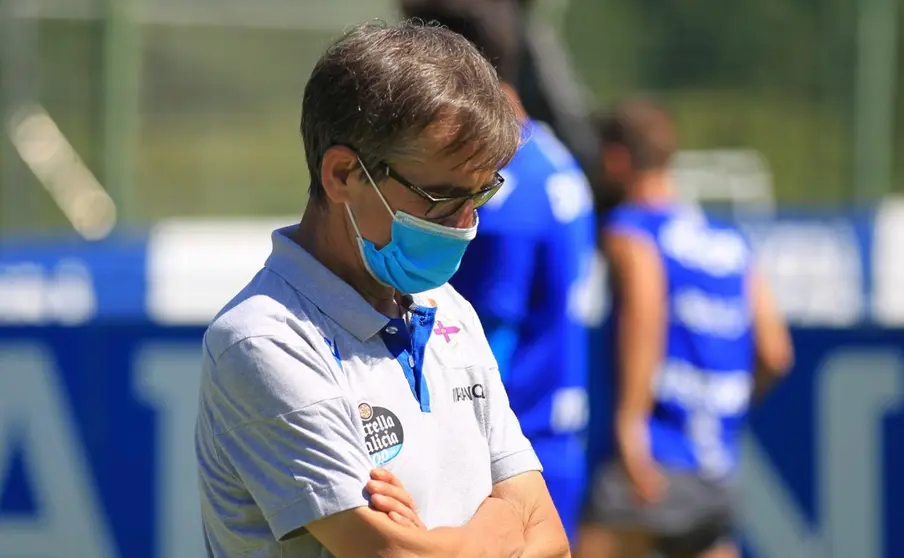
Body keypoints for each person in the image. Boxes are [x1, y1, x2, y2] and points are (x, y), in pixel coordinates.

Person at [194, 20, 569, 558]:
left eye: (480, 194)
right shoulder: (263, 341)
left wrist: (443, 544)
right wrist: (497, 530)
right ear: (342, 174)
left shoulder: (450, 312)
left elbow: (552, 540)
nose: (465, 223)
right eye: (438, 196)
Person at [399, 0, 602, 546]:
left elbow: (486, 346)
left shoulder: (503, 187)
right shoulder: (551, 157)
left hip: (504, 463)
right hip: (549, 445)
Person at [575, 100, 794, 558]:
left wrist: (631, 424)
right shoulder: (730, 241)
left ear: (616, 159)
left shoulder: (630, 231)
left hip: (655, 454)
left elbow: (645, 308)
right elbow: (776, 353)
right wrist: (725, 403)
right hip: (718, 466)